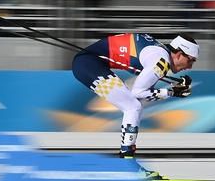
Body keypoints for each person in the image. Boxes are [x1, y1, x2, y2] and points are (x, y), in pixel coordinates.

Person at [70, 33, 198, 161]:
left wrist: (172, 90)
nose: (190, 66)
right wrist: (171, 92)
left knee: (133, 106)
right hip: (88, 63)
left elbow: (145, 93)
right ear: (179, 54)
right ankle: (127, 156)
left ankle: (127, 154)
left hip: (90, 62)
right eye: (190, 60)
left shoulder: (160, 55)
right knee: (133, 107)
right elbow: (138, 93)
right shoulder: (161, 61)